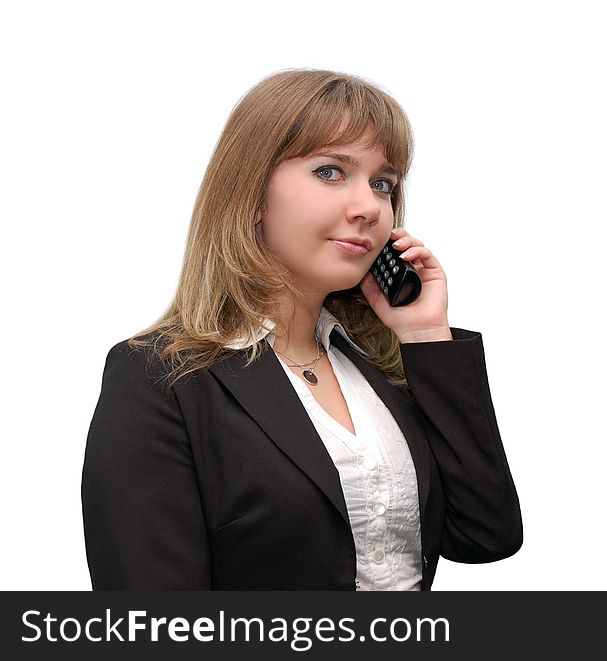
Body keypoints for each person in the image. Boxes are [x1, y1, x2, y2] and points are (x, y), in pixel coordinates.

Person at [81, 68, 523, 590]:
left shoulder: (383, 372)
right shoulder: (161, 377)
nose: (368, 208)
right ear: (252, 191)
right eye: (331, 172)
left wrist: (426, 337)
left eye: (382, 184)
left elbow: (486, 535)